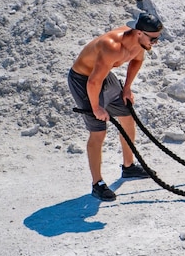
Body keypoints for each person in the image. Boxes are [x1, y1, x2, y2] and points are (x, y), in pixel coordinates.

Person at [68, 13, 163, 201]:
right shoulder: (112, 46)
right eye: (153, 38)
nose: (156, 42)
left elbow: (137, 60)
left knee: (127, 117)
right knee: (98, 132)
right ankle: (98, 184)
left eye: (158, 38)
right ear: (138, 33)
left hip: (104, 78)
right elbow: (93, 82)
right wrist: (96, 108)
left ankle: (128, 167)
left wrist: (126, 88)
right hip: (84, 81)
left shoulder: (140, 43)